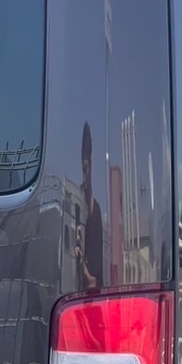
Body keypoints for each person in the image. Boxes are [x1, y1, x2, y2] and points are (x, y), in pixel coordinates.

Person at [76, 122, 103, 291]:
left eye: (86, 169)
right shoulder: (81, 209)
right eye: (82, 170)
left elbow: (94, 280)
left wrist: (87, 275)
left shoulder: (96, 213)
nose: (84, 176)